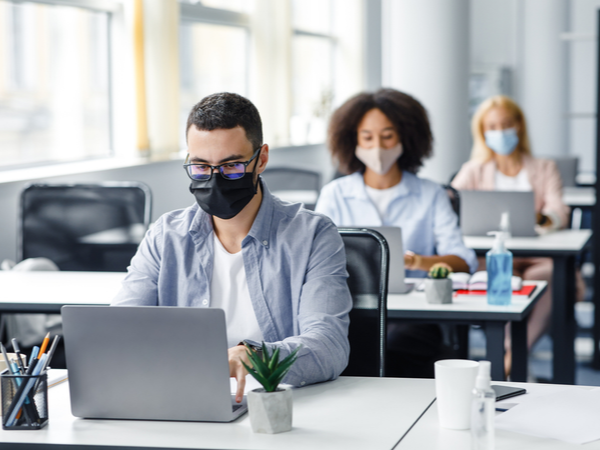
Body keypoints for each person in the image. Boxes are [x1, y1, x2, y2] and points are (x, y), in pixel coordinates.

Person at [112, 92, 352, 402]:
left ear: (261, 159)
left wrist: (250, 357)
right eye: (200, 166)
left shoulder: (313, 235)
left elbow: (329, 346)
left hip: (276, 401)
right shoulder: (165, 235)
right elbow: (119, 330)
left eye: (232, 166)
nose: (215, 179)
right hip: (184, 396)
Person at [315, 88, 477, 377]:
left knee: (395, 347)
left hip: (414, 316)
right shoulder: (335, 194)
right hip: (353, 310)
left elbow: (463, 260)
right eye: (367, 137)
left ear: (406, 136)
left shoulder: (431, 194)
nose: (377, 146)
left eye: (387, 136)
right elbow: (316, 258)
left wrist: (416, 263)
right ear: (352, 140)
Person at [451, 94, 578, 372]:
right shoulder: (473, 170)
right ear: (483, 132)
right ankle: (512, 358)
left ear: (519, 126)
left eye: (506, 124)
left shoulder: (544, 168)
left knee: (545, 277)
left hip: (538, 256)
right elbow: (452, 205)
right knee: (498, 278)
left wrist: (540, 217)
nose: (499, 132)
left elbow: (560, 210)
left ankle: (511, 355)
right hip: (491, 256)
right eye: (492, 126)